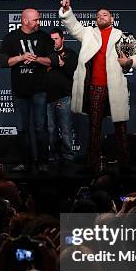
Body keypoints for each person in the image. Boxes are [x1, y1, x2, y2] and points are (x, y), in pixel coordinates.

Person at [59, 0, 136, 175]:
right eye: (98, 15)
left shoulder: (121, 36)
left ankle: (125, 164)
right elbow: (73, 26)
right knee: (94, 127)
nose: (101, 17)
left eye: (105, 15)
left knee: (121, 127)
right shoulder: (89, 33)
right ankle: (91, 165)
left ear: (112, 19)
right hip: (95, 87)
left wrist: (129, 61)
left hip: (115, 88)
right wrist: (67, 11)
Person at [0, 8, 58, 174]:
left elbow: (53, 60)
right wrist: (21, 57)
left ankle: (43, 162)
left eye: (38, 20)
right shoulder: (11, 37)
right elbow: (3, 62)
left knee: (40, 128)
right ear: (25, 21)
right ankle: (25, 162)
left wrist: (36, 58)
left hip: (39, 90)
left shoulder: (44, 37)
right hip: (19, 91)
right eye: (36, 20)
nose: (39, 23)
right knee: (21, 129)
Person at [44, 28, 78, 167]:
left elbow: (73, 72)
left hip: (64, 97)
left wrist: (61, 64)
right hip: (47, 98)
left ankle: (68, 156)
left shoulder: (70, 53)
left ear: (62, 39)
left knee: (65, 128)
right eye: (51, 39)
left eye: (56, 38)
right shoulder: (45, 55)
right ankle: (53, 156)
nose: (54, 41)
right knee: (50, 129)